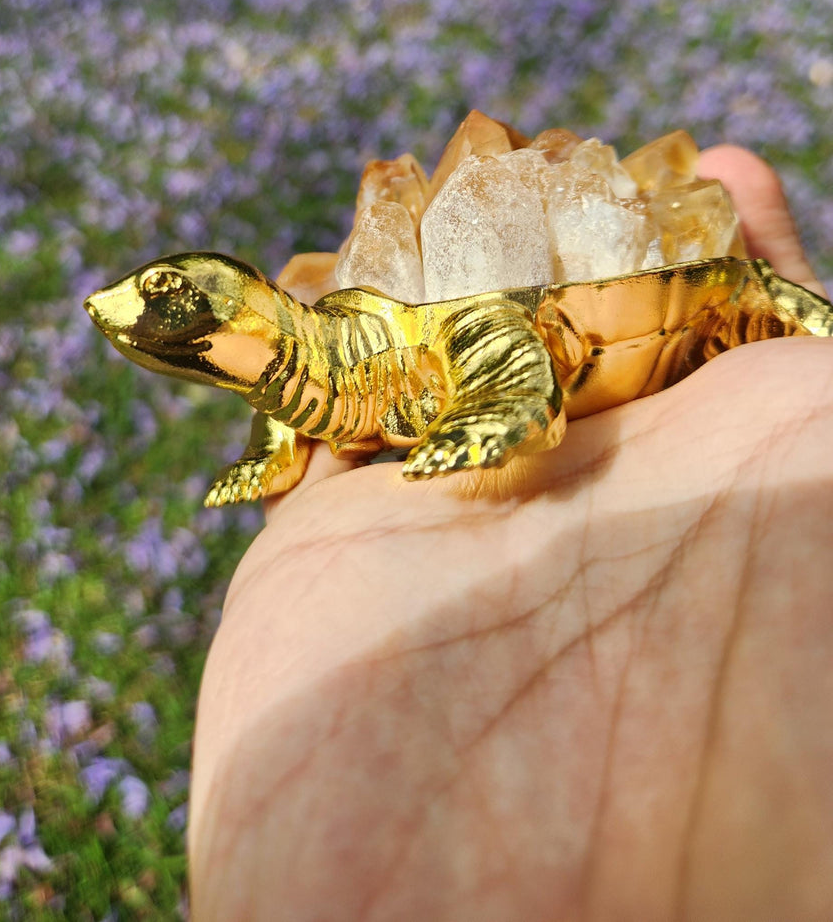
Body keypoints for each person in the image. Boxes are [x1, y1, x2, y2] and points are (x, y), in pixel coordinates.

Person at [188, 146, 833, 922]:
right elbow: (294, 393)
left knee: (771, 304)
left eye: (177, 296)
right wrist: (275, 448)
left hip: (643, 282)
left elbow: (503, 337)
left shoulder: (432, 341)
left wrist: (498, 412)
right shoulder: (334, 361)